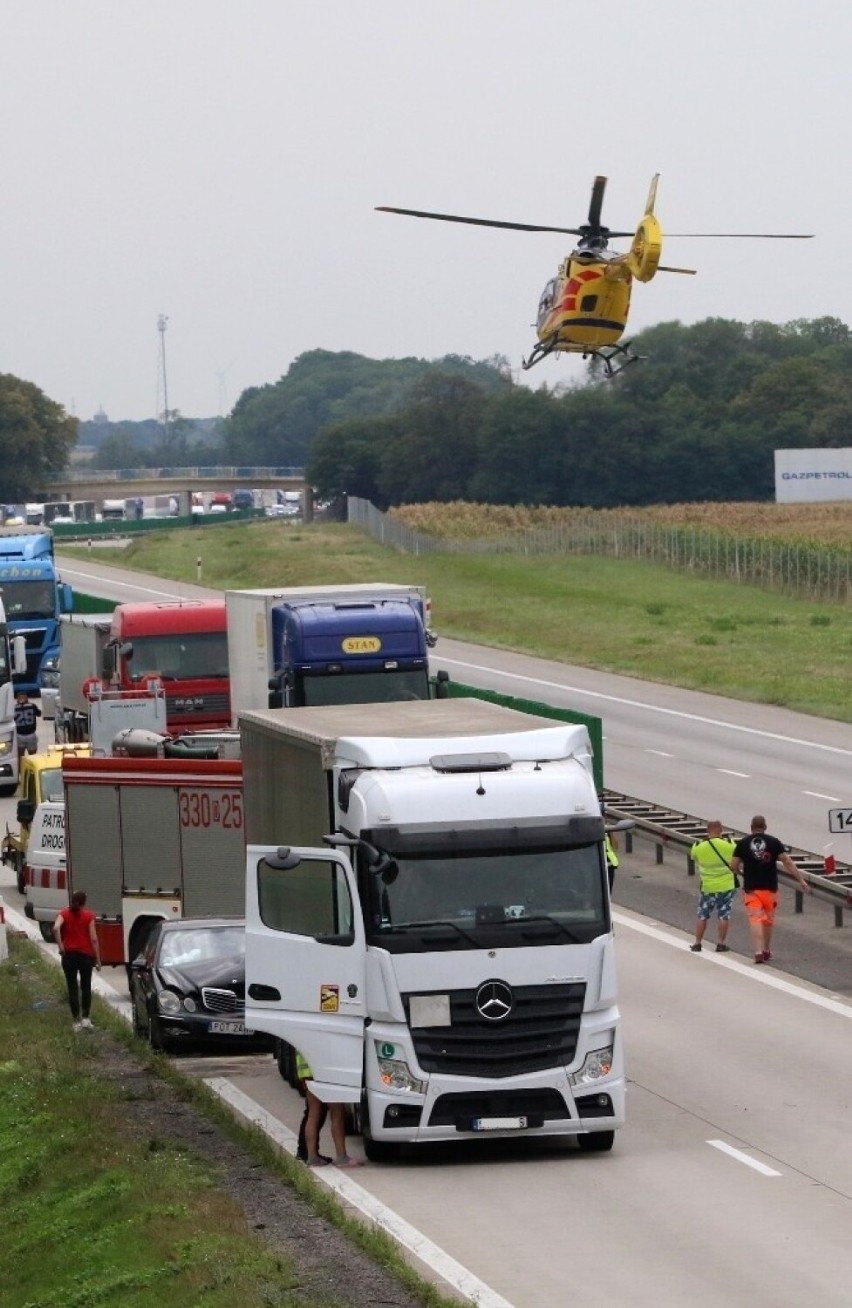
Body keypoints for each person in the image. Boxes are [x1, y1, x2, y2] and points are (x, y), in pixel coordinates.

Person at [731, 814, 811, 964]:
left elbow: (733, 865)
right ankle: (766, 950)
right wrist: (800, 880)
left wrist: (741, 872)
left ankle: (758, 951)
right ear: (765, 827)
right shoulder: (774, 842)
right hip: (770, 889)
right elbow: (787, 861)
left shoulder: (743, 843)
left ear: (751, 827)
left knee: (755, 919)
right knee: (768, 921)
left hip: (751, 889)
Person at [294, 1049, 364, 1169]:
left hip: (307, 1072)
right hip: (327, 1070)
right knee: (337, 1113)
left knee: (313, 1113)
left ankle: (312, 1157)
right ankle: (341, 1157)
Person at [54, 890, 101, 1030]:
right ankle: (86, 1018)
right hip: (86, 957)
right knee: (86, 987)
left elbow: (56, 928)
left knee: (72, 988)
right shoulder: (89, 916)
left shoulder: (63, 914)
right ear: (84, 903)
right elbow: (93, 939)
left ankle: (76, 1021)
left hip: (69, 957)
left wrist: (61, 947)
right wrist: (98, 959)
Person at [688, 820, 737, 953]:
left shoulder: (698, 846)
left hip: (708, 887)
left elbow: (694, 858)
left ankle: (697, 943)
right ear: (721, 830)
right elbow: (736, 860)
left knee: (702, 915)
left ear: (707, 831)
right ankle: (721, 943)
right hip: (726, 886)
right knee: (723, 916)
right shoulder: (729, 844)